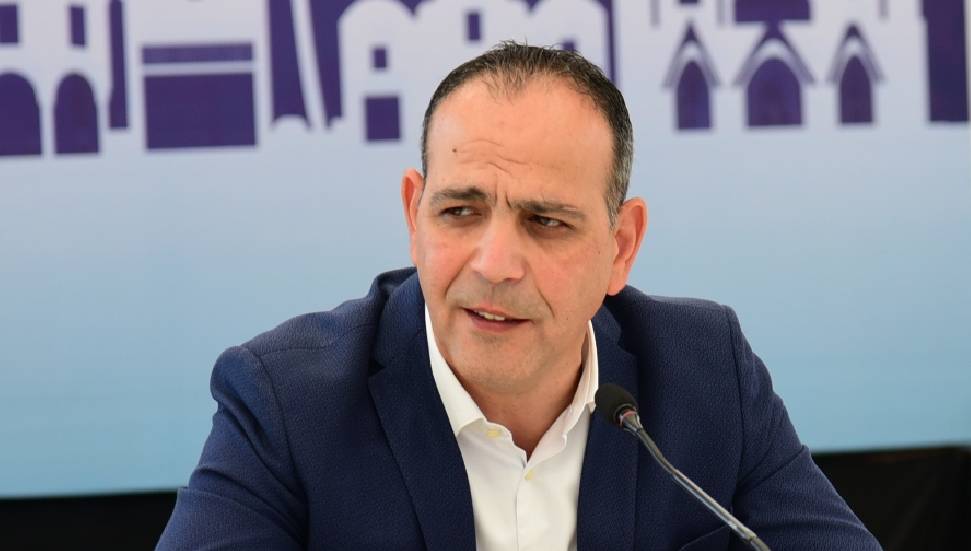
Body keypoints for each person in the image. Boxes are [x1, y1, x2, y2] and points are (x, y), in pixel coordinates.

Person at [158, 42, 881, 550]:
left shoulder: (706, 372)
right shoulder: (287, 401)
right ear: (414, 216)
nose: (495, 264)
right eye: (459, 212)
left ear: (620, 245)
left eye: (545, 222)